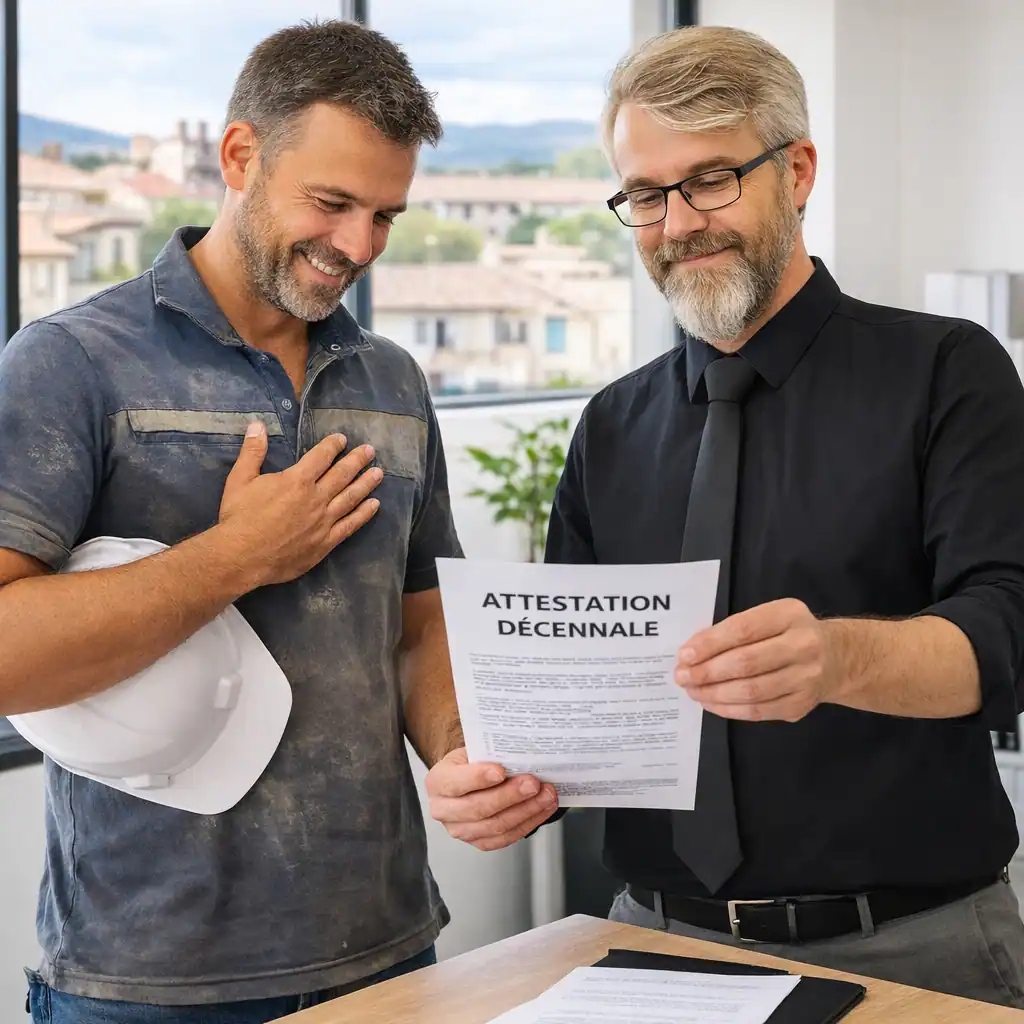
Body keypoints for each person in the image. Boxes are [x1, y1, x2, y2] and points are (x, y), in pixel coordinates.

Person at [431, 25, 1024, 1009]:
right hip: (651, 939)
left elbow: (1008, 632)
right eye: (646, 195)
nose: (676, 224)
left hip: (916, 948)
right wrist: (492, 775)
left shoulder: (946, 374)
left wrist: (839, 657)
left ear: (796, 171)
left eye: (709, 180)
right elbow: (564, 695)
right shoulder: (610, 426)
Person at [0, 19, 494, 1024]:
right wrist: (232, 558)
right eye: (332, 202)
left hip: (389, 951)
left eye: (386, 215)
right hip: (147, 980)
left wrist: (456, 754)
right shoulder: (69, 364)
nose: (357, 246)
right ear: (238, 156)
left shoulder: (391, 380)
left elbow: (418, 624)